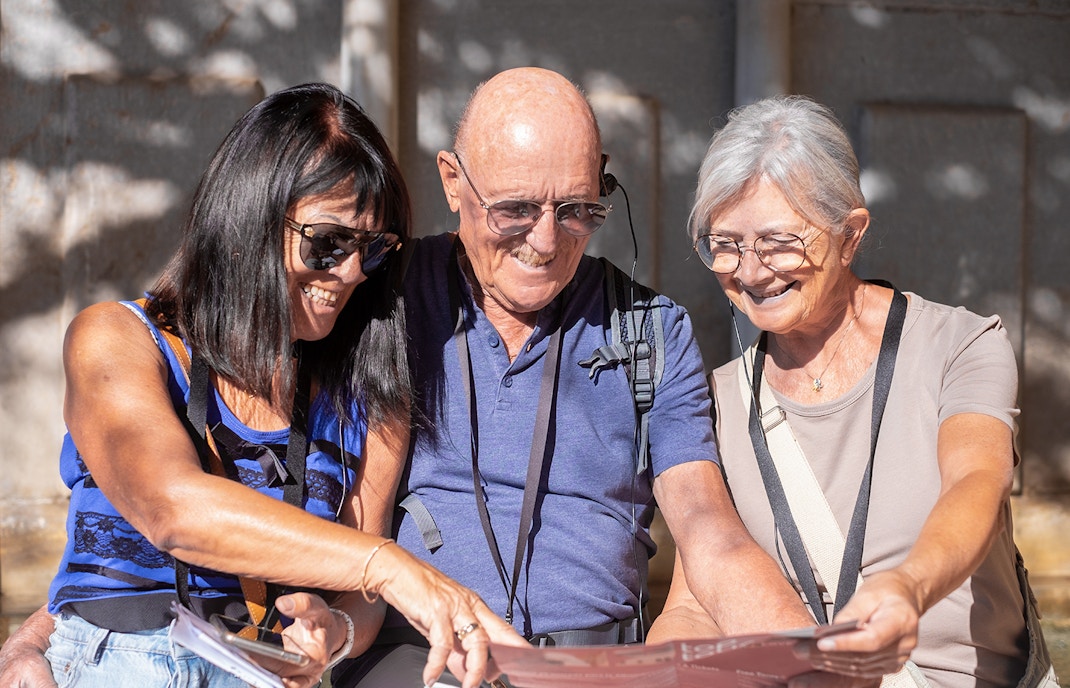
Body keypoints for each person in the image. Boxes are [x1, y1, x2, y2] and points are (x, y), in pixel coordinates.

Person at [330, 68, 878, 688]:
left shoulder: (650, 331)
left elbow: (706, 529)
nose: (545, 240)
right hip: (420, 655)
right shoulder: (383, 294)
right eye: (514, 210)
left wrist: (808, 663)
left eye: (576, 210)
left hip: (592, 669)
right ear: (453, 182)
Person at [0, 82, 522, 688]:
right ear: (249, 220)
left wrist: (336, 633)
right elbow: (172, 508)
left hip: (256, 670)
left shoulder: (368, 392)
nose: (352, 272)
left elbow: (360, 590)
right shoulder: (119, 339)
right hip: (119, 659)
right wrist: (389, 568)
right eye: (328, 242)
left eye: (373, 248)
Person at [649, 94, 1058, 686]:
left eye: (779, 241)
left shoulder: (959, 346)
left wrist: (908, 587)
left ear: (849, 235)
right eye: (726, 244)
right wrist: (666, 665)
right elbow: (691, 601)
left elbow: (978, 482)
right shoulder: (712, 402)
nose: (752, 271)